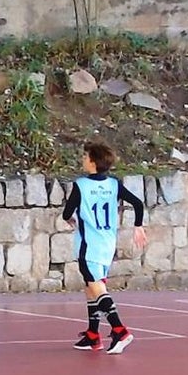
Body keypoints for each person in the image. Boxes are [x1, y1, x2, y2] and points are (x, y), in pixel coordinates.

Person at [62, 141, 147, 354]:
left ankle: (120, 330)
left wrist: (71, 220)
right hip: (107, 245)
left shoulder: (81, 185)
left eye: (85, 156)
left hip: (89, 246)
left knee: (96, 287)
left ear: (92, 162)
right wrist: (138, 226)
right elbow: (138, 203)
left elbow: (67, 212)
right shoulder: (114, 184)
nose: (82, 159)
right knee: (91, 287)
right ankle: (93, 335)